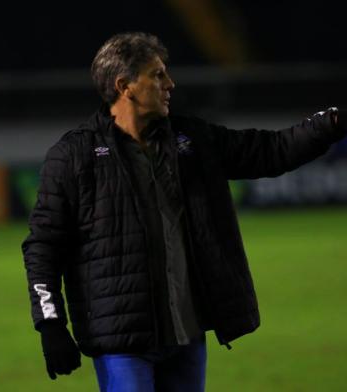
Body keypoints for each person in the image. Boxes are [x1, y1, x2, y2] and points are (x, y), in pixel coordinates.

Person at [22, 32, 346, 391]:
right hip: (123, 341)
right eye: (157, 75)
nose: (169, 84)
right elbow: (43, 247)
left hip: (186, 334)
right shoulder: (73, 156)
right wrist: (50, 324)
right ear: (125, 86)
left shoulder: (191, 139)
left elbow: (270, 150)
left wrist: (330, 123)